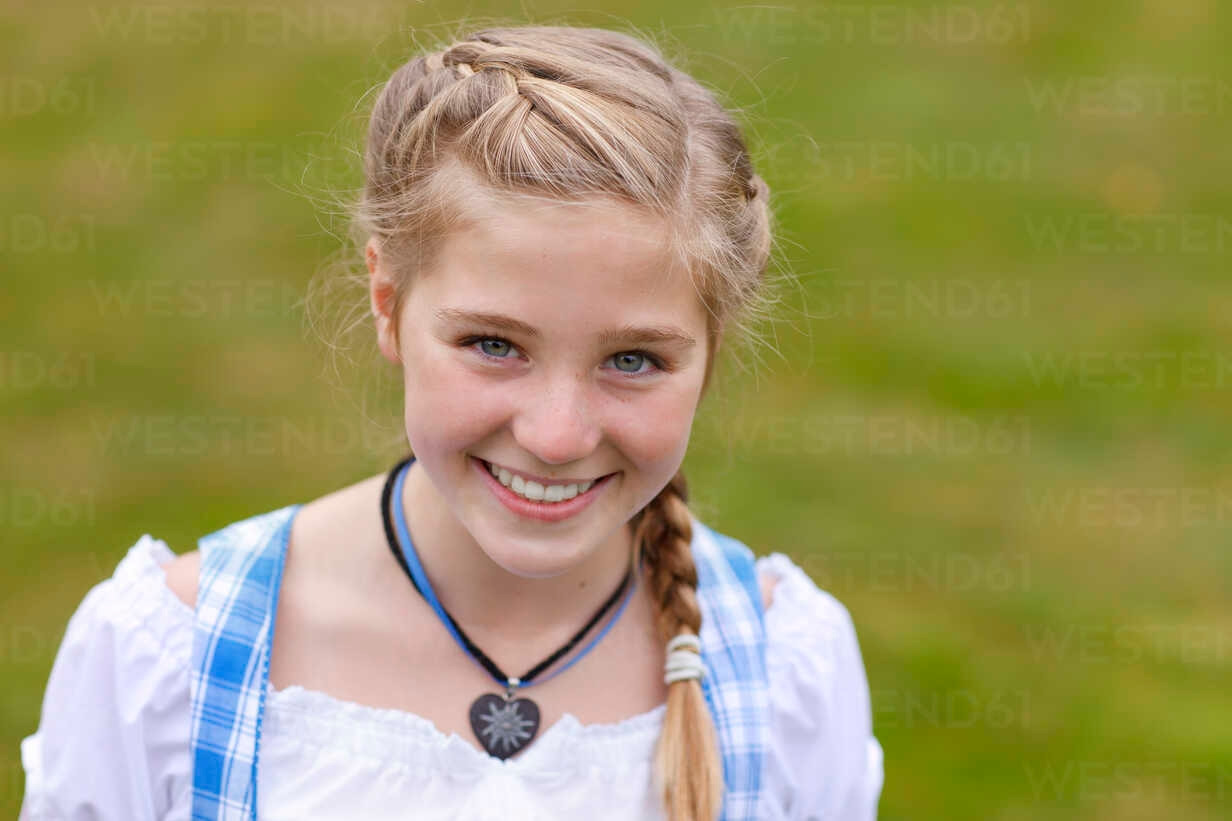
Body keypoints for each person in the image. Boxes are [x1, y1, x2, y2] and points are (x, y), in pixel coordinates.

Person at [19, 24, 883, 821]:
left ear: (711, 348)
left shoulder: (781, 676)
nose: (556, 435)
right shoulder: (170, 661)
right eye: (494, 344)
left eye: (633, 361)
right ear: (388, 304)